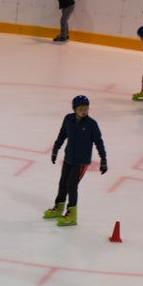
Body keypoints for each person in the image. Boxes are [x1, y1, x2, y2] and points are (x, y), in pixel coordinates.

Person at [43, 95, 107, 226]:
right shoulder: (68, 119)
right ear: (74, 109)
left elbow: (99, 142)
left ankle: (72, 214)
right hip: (68, 159)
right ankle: (59, 207)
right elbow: (62, 135)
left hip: (81, 162)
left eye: (86, 108)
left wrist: (103, 159)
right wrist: (55, 149)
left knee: (71, 185)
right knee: (63, 184)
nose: (84, 111)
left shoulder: (91, 124)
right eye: (81, 108)